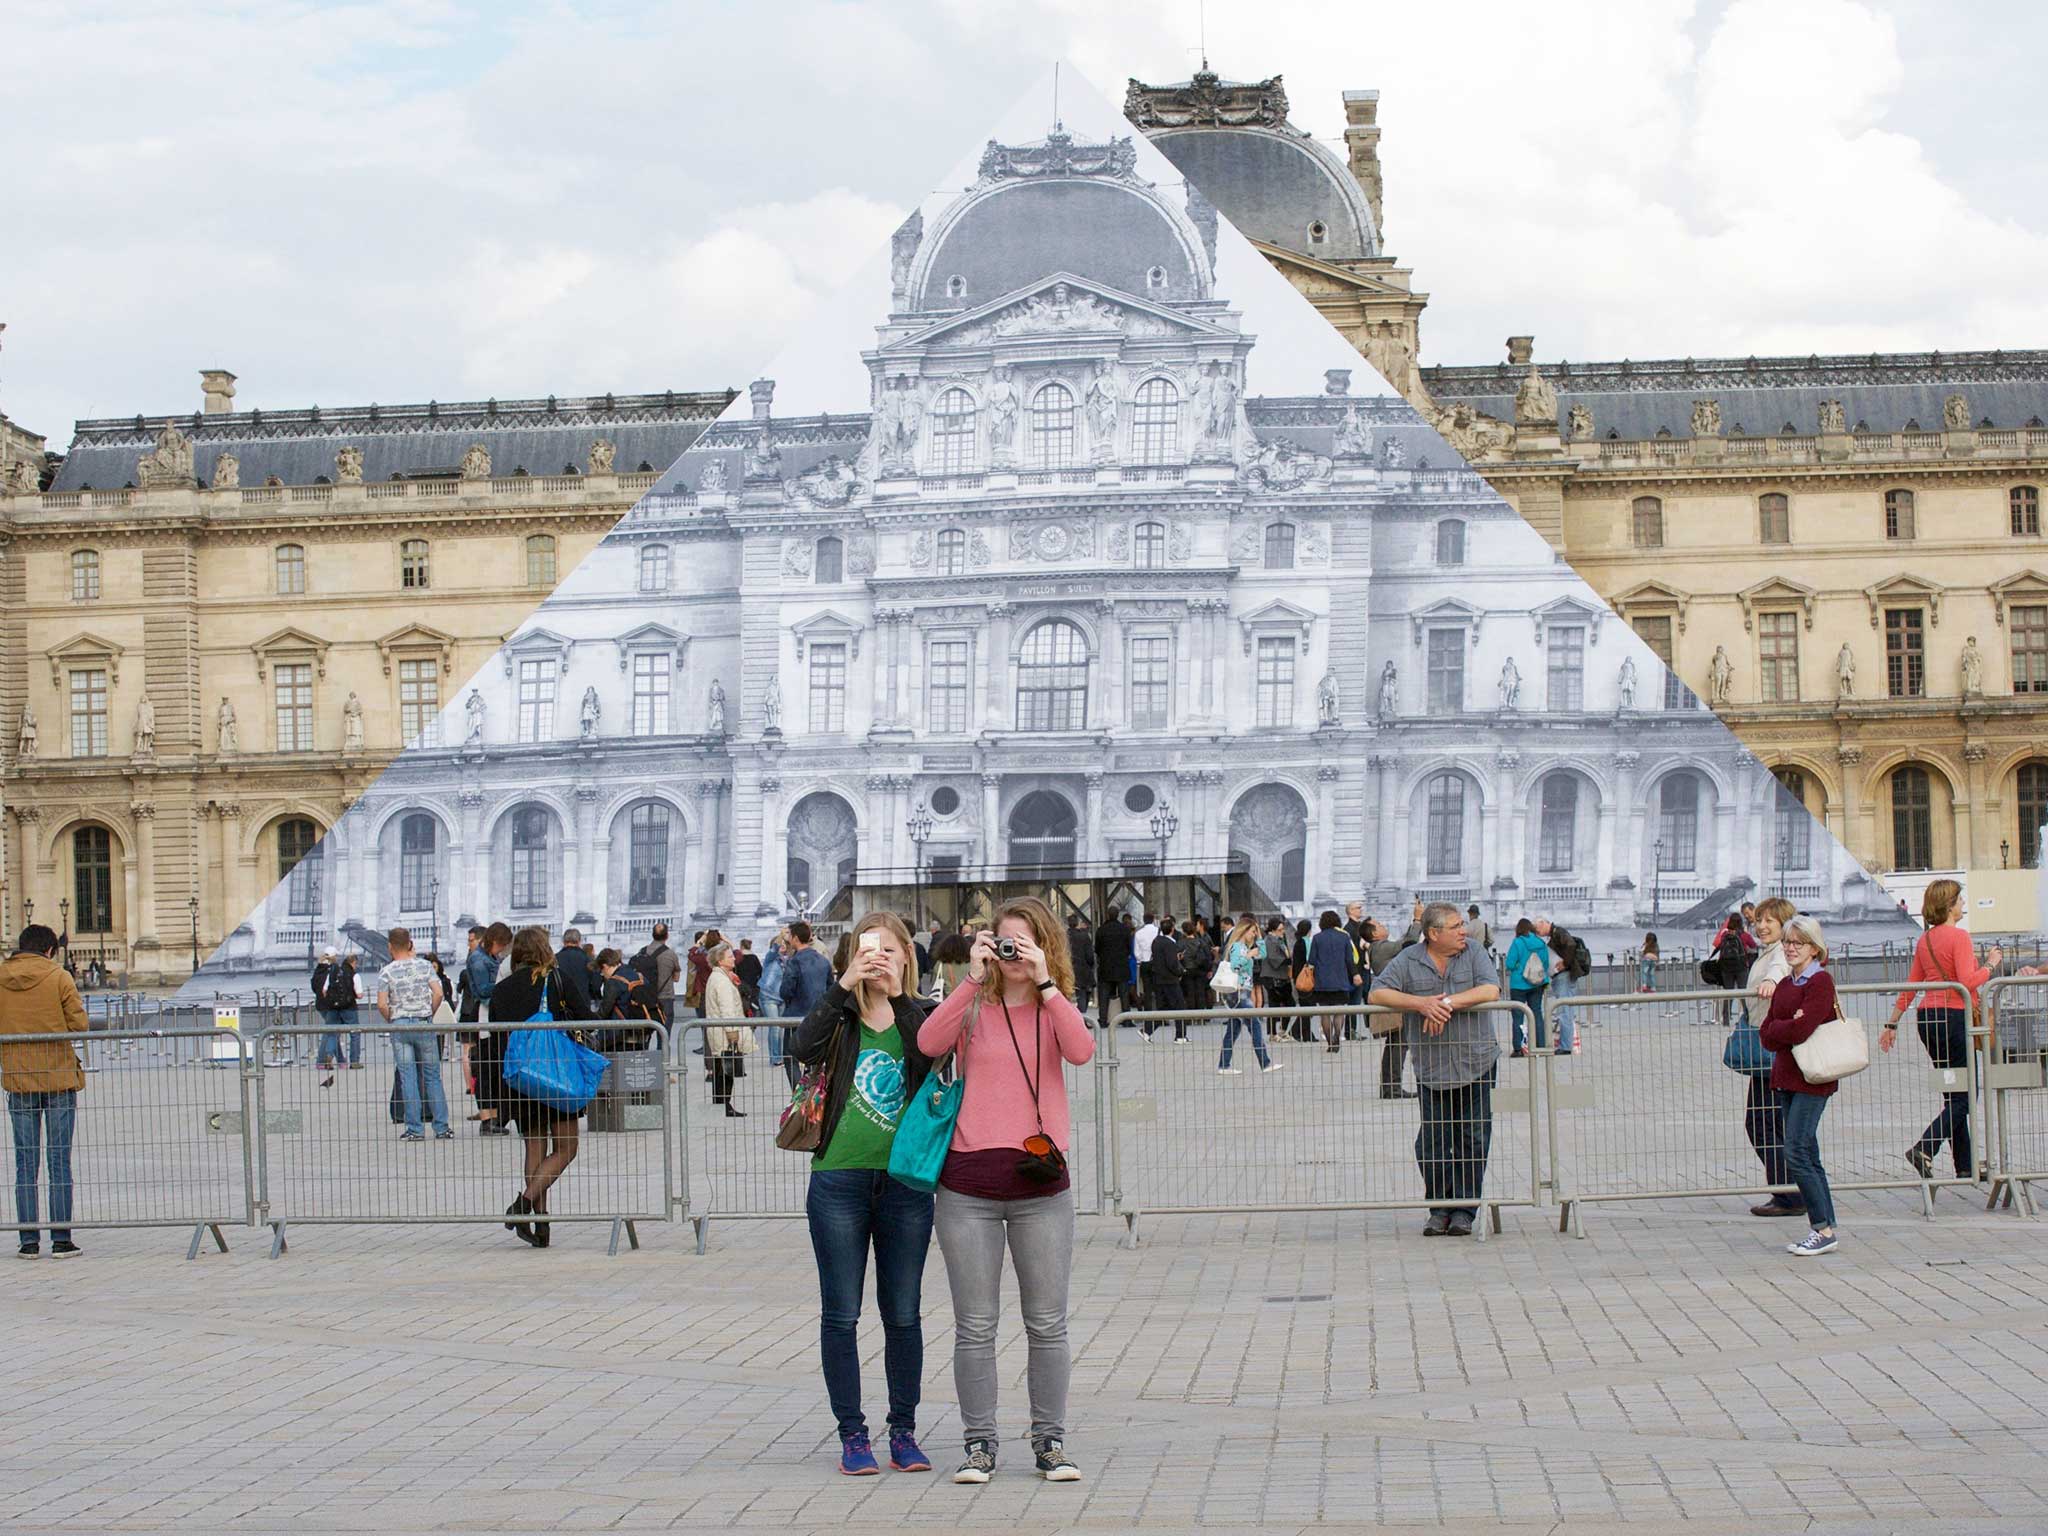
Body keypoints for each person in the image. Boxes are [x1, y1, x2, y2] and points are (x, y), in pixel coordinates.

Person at [916, 896, 1094, 1486]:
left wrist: (1045, 984)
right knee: (975, 1324)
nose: (1012, 952)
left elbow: (1082, 1050)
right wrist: (970, 979)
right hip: (967, 1188)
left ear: (1044, 946)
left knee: (1046, 1322)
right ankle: (979, 1444)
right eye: (1004, 942)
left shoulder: (1052, 1005)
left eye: (1023, 942)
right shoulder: (971, 1004)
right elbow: (928, 1042)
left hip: (1040, 1188)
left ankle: (1050, 1440)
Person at [790, 912, 937, 1477]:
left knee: (903, 1313)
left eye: (888, 949)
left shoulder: (921, 1015)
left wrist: (900, 999)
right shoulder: (842, 1015)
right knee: (841, 1313)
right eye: (866, 949)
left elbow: (929, 1063)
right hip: (839, 1178)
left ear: (906, 955)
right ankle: (853, 1433)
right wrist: (844, 983)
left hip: (904, 1182)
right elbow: (803, 1046)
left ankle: (904, 1430)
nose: (879, 958)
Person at [1369, 903, 1502, 1236]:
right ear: (1433, 934)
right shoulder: (1410, 959)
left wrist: (1445, 1003)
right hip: (1433, 1066)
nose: (1463, 931)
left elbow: (1490, 988)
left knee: (1472, 1137)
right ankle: (1439, 1207)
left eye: (1462, 925)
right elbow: (1377, 992)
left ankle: (1464, 1211)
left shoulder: (1473, 952)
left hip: (1477, 1061)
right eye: (1456, 926)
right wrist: (1420, 1003)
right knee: (1433, 1141)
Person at [1883, 879, 1998, 1184]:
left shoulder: (1926, 940)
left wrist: (1892, 1023)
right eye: (1960, 900)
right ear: (1949, 905)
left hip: (1928, 1018)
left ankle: (1965, 1165)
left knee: (1953, 1091)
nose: (1963, 905)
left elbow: (1913, 984)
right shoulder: (1959, 937)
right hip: (1954, 1017)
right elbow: (1967, 982)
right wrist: (1990, 965)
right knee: (1965, 1095)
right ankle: (1925, 1147)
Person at [489, 926, 586, 1246]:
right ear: (545, 950)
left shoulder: (502, 989)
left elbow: (496, 1037)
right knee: (566, 1147)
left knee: (534, 1147)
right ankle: (524, 1204)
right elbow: (586, 1016)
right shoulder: (556, 981)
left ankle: (540, 1225)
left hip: (520, 1079)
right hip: (557, 1076)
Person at [1757, 916, 1843, 1256]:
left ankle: (1821, 1228)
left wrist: (1785, 1027)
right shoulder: (1786, 985)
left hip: (1812, 1075)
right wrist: (1784, 1026)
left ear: (1814, 948)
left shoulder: (1819, 982)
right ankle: (1827, 1225)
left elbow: (1802, 1029)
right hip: (1787, 1075)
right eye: (1788, 942)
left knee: (1796, 1149)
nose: (1791, 948)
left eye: (1799, 943)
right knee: (1807, 1151)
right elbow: (1767, 1032)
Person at [2, 925, 88, 1259]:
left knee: (25, 1163)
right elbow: (79, 1024)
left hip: (19, 1079)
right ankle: (62, 1240)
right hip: (58, 1078)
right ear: (50, 950)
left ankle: (28, 1242)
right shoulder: (58, 978)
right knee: (58, 1161)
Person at [1742, 897, 1801, 1218]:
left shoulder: (1780, 953)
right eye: (1759, 920)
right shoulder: (1767, 951)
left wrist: (1770, 981)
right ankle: (1789, 1189)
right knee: (1769, 1124)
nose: (1761, 926)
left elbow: (1780, 971)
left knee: (1763, 1124)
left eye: (1769, 922)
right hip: (1768, 1046)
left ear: (1784, 926)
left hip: (1774, 1050)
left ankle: (1790, 1193)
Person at [376, 927, 449, 1141]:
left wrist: (393, 1018)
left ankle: (415, 1129)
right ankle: (441, 1127)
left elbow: (381, 1003)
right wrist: (430, 1012)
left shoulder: (386, 971)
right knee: (432, 1076)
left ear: (390, 947)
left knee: (408, 1077)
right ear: (410, 943)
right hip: (424, 1023)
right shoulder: (425, 966)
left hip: (400, 1025)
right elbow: (438, 992)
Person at [465, 923, 512, 1136]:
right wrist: (507, 985)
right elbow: (484, 991)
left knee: (493, 1068)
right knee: (486, 1067)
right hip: (485, 1015)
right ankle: (487, 1118)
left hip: (492, 1014)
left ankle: (493, 1116)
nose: (501, 950)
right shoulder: (478, 960)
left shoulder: (489, 958)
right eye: (501, 945)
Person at [1216, 917, 1279, 1075]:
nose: (1253, 935)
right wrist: (1249, 954)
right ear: (1244, 931)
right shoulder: (1238, 947)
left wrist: (1259, 938)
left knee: (1233, 1029)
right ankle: (1265, 1063)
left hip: (1241, 992)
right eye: (1252, 932)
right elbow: (1235, 965)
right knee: (1255, 1026)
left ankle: (1224, 1064)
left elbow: (1263, 954)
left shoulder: (1244, 946)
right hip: (1239, 993)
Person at [703, 942, 755, 1115]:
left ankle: (721, 1106)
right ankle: (724, 1106)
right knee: (725, 1072)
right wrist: (732, 1031)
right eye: (730, 956)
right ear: (720, 960)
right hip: (725, 1033)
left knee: (722, 1071)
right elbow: (727, 1009)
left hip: (718, 1031)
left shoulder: (719, 977)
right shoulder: (722, 981)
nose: (734, 958)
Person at [1365, 917, 1412, 1096]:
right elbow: (1409, 943)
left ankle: (1389, 1087)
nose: (1384, 925)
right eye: (1380, 925)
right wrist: (1415, 919)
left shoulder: (1378, 948)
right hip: (1393, 999)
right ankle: (1392, 1087)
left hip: (1392, 997)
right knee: (1399, 1043)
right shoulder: (1381, 947)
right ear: (1374, 933)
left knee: (1394, 1043)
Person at [1307, 909, 1363, 1054]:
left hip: (1322, 982)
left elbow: (1311, 960)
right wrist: (1355, 974)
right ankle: (1337, 1036)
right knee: (1339, 1011)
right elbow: (1350, 960)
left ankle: (1330, 1042)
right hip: (1341, 980)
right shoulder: (1344, 937)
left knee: (1324, 1013)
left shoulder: (1317, 938)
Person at [1533, 918, 1584, 1053]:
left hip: (1564, 976)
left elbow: (1571, 945)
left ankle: (1565, 1046)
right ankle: (1566, 1043)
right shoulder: (1555, 934)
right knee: (1565, 1010)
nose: (1538, 933)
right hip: (1565, 976)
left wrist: (1565, 963)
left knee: (1564, 1010)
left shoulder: (1558, 932)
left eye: (1538, 930)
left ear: (1543, 923)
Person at [311, 945, 358, 1085]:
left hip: (321, 1004)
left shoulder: (318, 970)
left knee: (333, 1032)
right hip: (331, 1005)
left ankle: (341, 1060)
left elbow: (315, 987)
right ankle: (322, 1060)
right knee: (331, 1032)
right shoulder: (333, 970)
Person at [1504, 917, 1549, 1057]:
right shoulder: (1541, 942)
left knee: (1518, 1016)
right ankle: (1540, 1046)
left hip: (1519, 984)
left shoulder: (1517, 943)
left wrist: (1519, 967)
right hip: (1537, 984)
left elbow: (1509, 964)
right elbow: (1545, 964)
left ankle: (1518, 1048)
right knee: (1536, 1013)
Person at [1143, 918, 1187, 1041]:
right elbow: (1171, 963)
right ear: (1172, 929)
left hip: (1159, 979)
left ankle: (1147, 1031)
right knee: (1180, 1007)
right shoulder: (1170, 944)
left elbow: (1161, 959)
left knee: (1164, 1008)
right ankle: (1180, 1035)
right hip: (1170, 980)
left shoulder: (1156, 941)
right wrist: (1180, 971)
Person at [1091, 909, 1131, 1030]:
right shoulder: (1124, 929)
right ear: (1118, 915)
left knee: (1104, 995)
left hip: (1106, 966)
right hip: (1121, 965)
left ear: (1107, 915)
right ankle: (1126, 1020)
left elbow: (1097, 948)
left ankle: (1103, 1019)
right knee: (1124, 994)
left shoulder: (1101, 930)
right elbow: (1129, 947)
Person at [1712, 912, 1751, 1028]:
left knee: (1728, 993)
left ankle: (1725, 1019)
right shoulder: (1744, 935)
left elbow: (1717, 945)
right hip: (1741, 967)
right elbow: (1753, 945)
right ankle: (1748, 1016)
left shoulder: (1725, 934)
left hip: (1726, 968)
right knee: (1743, 992)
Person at [554, 927, 598, 1022]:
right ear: (579, 941)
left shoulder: (554, 960)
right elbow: (595, 984)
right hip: (582, 1006)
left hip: (560, 1007)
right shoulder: (587, 960)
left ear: (564, 941)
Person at [645, 922, 681, 1028]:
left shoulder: (643, 952)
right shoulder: (670, 954)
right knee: (664, 1032)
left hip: (646, 997)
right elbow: (676, 978)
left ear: (652, 935)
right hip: (665, 996)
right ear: (667, 936)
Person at [1065, 913, 1096, 1013]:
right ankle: (1082, 1017)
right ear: (1077, 922)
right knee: (1083, 993)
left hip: (1068, 968)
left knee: (1072, 994)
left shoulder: (1064, 937)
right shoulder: (1084, 936)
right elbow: (1090, 956)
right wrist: (1091, 965)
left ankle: (1077, 1016)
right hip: (1083, 969)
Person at [1131, 911, 1159, 1011]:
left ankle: (1148, 1010)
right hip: (1157, 963)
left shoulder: (1138, 933)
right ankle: (1160, 1011)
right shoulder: (1158, 931)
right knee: (1158, 988)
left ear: (1143, 920)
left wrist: (1141, 958)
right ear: (1153, 920)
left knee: (1147, 989)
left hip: (1144, 963)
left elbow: (1136, 952)